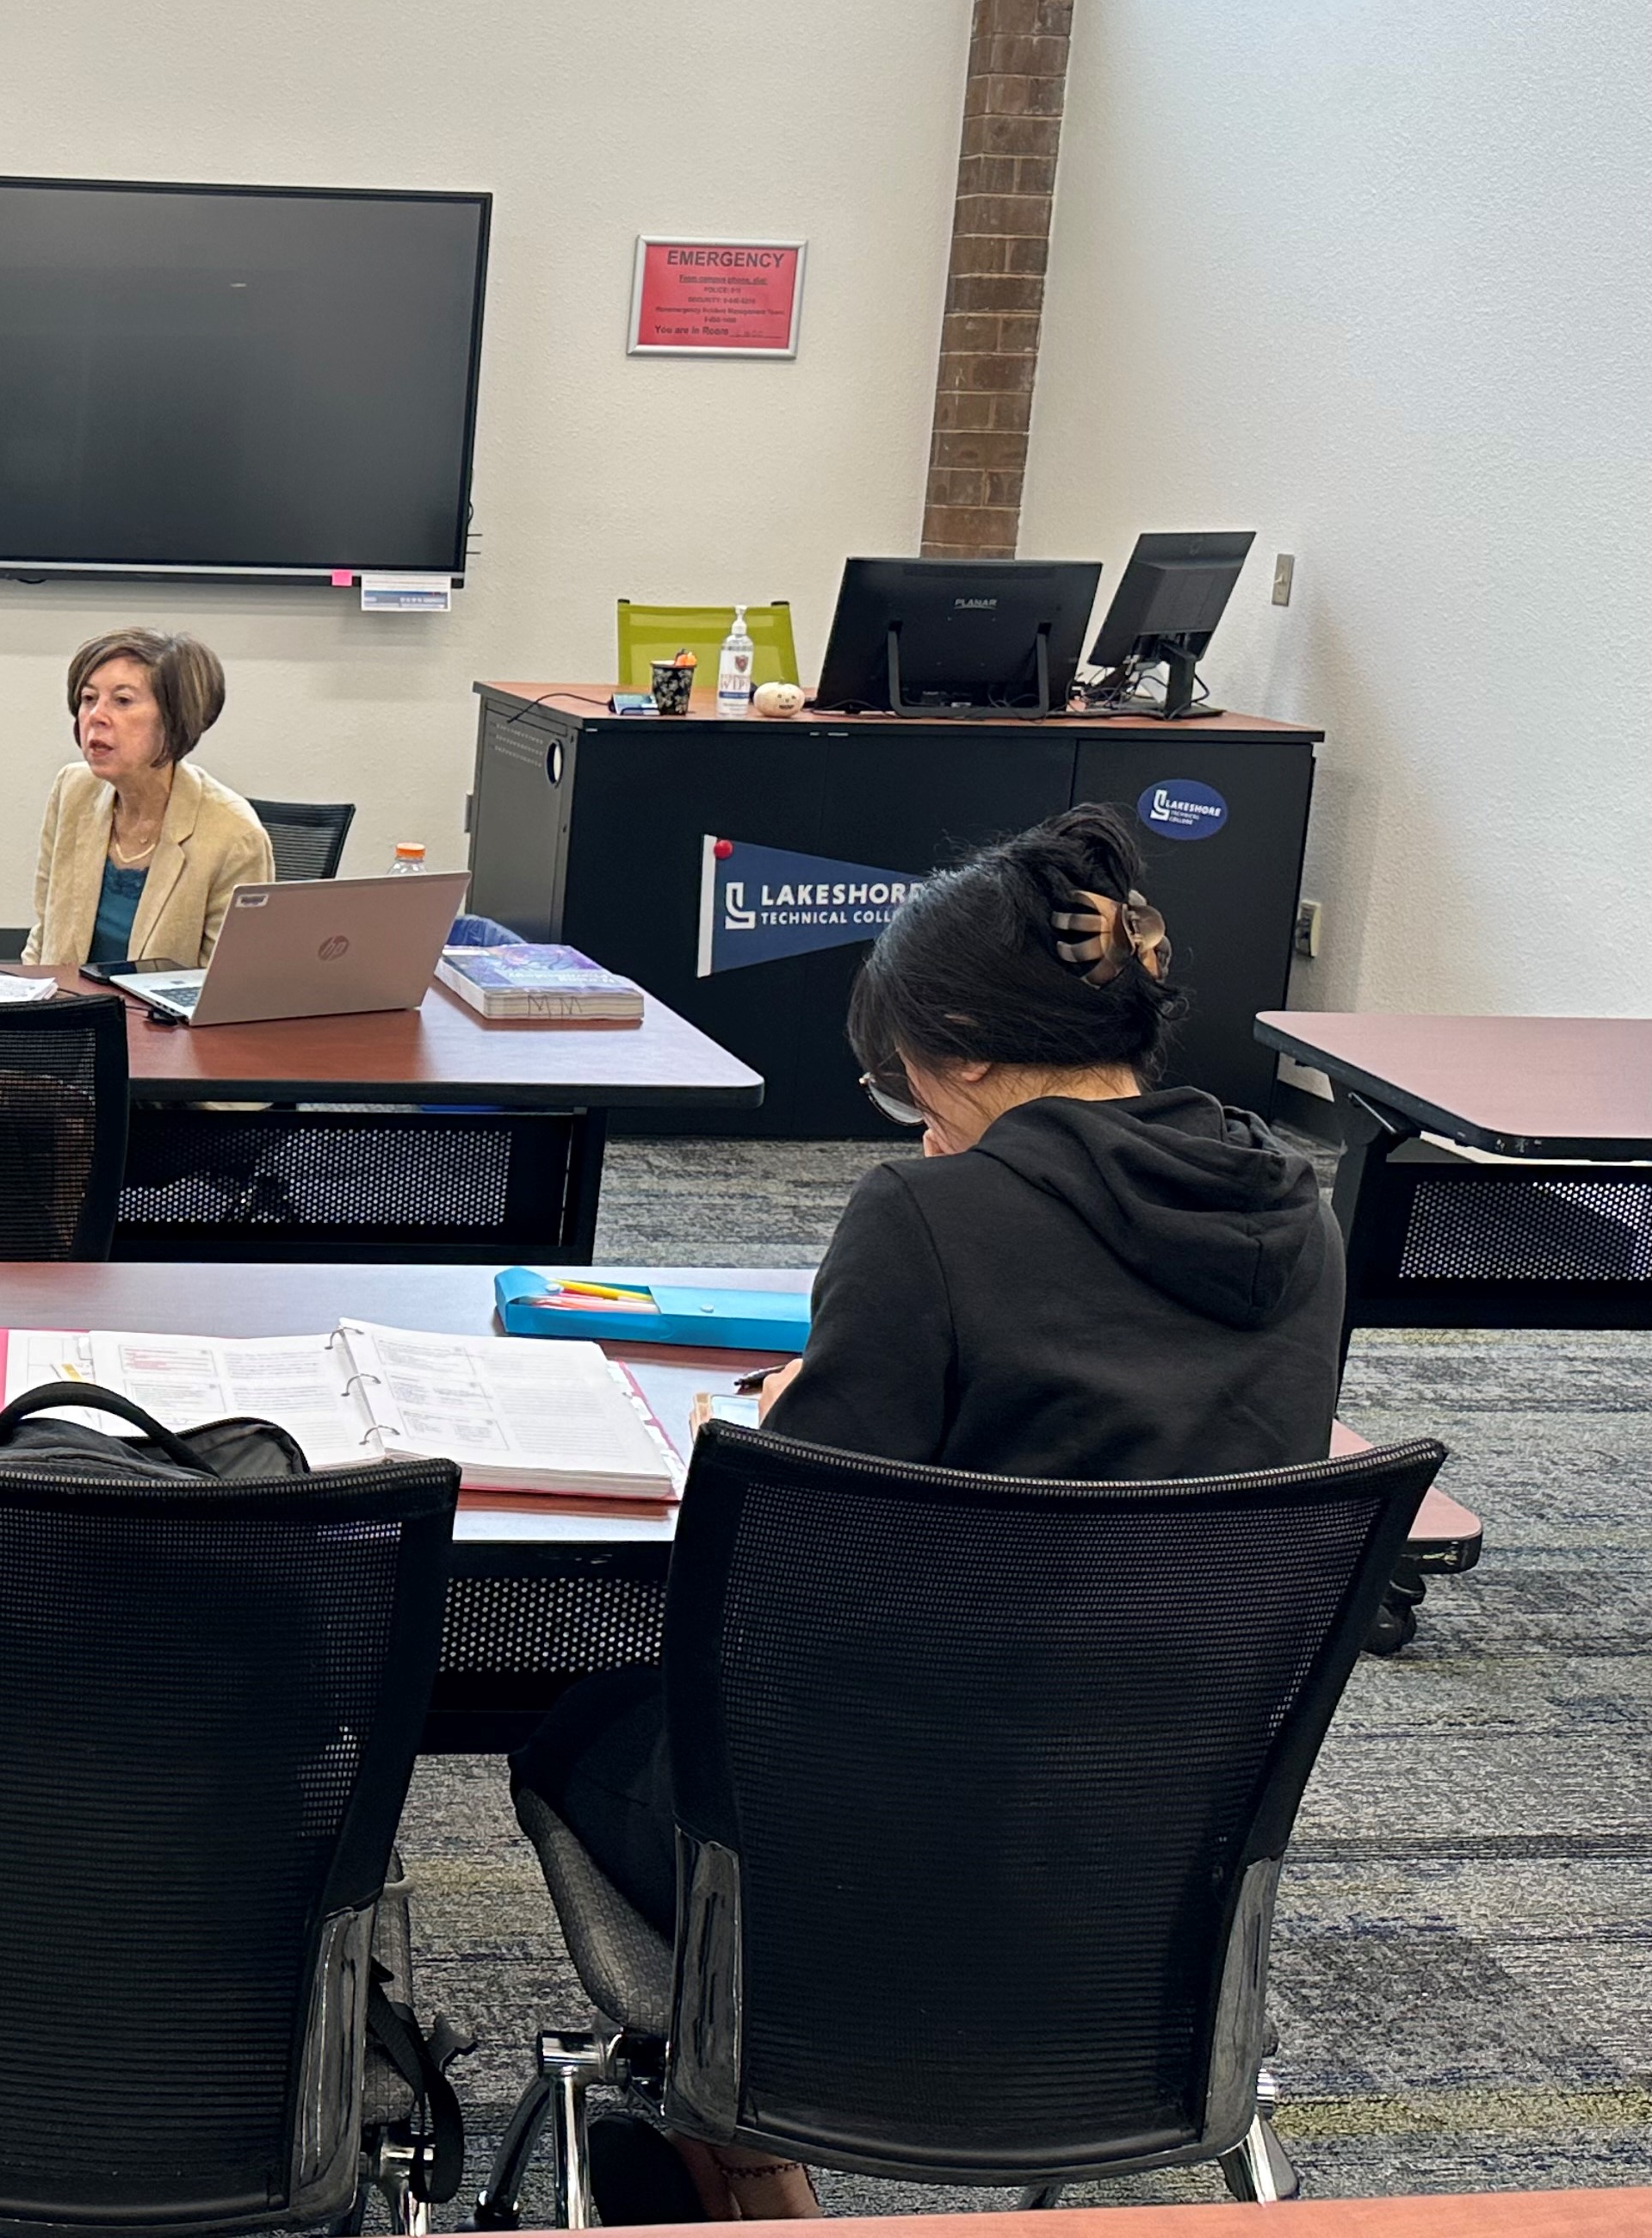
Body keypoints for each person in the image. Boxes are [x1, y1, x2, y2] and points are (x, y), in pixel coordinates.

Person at [510, 802, 1346, 2223]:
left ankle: (739, 2133)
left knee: (571, 1729)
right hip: (1156, 1863)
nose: (913, 1111)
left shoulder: (928, 1216)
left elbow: (787, 1575)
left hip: (883, 1850)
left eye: (902, 1076)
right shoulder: (1295, 1212)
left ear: (954, 1046)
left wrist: (759, 1425)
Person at [19, 628, 275, 970]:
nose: (96, 716)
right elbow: (44, 933)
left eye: (122, 701)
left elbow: (227, 985)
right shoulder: (73, 789)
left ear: (173, 719)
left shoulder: (234, 835)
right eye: (88, 699)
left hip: (161, 1023)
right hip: (67, 1014)